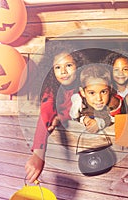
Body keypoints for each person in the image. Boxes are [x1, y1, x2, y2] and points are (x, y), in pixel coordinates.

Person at [25, 41, 88, 183]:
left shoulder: (85, 84)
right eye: (58, 67)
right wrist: (38, 154)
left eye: (69, 65)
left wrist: (60, 118)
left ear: (78, 66)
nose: (63, 71)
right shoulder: (50, 90)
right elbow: (45, 115)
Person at [69, 64, 124, 133]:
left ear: (110, 89)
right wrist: (85, 119)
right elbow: (76, 117)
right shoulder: (82, 101)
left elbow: (116, 121)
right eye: (92, 93)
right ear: (83, 92)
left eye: (103, 92)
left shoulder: (115, 104)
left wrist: (99, 123)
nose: (99, 98)